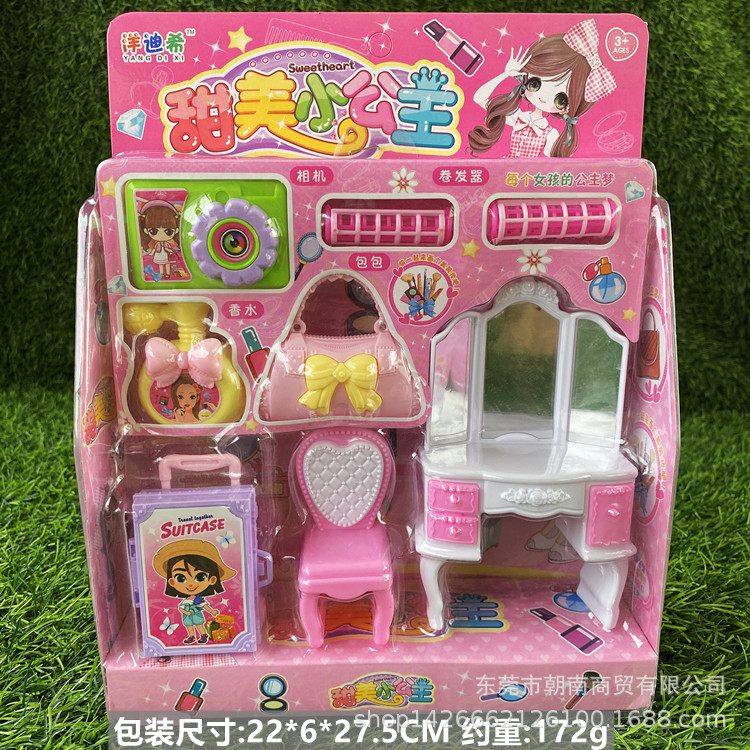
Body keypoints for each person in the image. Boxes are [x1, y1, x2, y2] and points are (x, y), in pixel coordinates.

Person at [469, 19, 615, 158]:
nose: (543, 96)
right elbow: (479, 98)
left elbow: (557, 165)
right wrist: (505, 74)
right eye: (535, 83)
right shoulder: (519, 117)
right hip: (508, 169)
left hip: (531, 173)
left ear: (566, 108)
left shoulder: (550, 134)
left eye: (560, 99)